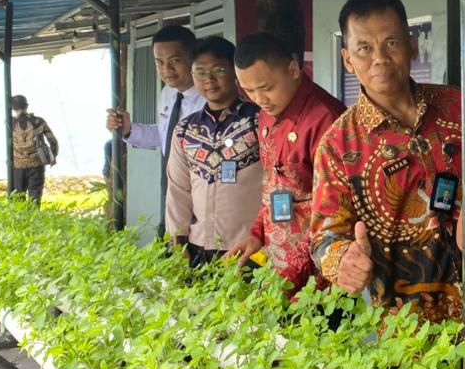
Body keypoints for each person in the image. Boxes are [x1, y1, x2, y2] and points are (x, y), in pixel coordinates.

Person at [310, 0, 464, 322]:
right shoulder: (338, 145)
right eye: (364, 48)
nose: (379, 58)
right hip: (410, 327)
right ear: (347, 60)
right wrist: (342, 262)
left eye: (390, 43)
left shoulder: (457, 106)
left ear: (411, 45)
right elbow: (325, 235)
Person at [226, 31, 345, 291]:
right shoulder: (266, 115)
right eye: (248, 91)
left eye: (266, 88)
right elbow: (272, 188)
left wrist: (293, 275)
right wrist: (256, 234)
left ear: (293, 70)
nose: (259, 99)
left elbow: (336, 212)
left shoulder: (327, 120)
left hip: (321, 276)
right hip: (277, 268)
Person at [165, 37, 262, 267]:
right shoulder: (185, 130)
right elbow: (178, 191)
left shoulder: (259, 121)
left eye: (218, 70)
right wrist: (177, 242)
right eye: (200, 72)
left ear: (235, 71)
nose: (209, 79)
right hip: (199, 250)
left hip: (250, 250)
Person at [105, 25, 205, 228]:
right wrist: (128, 129)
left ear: (192, 58)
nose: (166, 71)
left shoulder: (209, 97)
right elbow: (164, 134)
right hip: (170, 181)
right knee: (170, 238)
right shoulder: (168, 93)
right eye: (159, 63)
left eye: (175, 61)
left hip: (201, 182)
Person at [9, 94, 57, 205]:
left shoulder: (10, 123)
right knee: (35, 196)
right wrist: (52, 156)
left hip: (18, 166)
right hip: (36, 165)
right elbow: (53, 141)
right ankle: (33, 220)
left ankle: (19, 221)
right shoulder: (39, 121)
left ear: (13, 108)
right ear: (27, 106)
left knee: (18, 197)